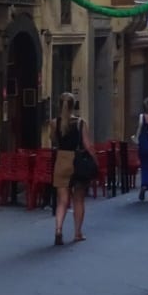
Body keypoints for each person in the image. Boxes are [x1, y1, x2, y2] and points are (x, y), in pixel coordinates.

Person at [50, 92, 95, 246]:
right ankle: (77, 233)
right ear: (74, 105)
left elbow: (54, 140)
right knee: (78, 199)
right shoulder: (80, 123)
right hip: (77, 161)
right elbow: (87, 145)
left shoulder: (54, 123)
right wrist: (95, 159)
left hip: (61, 160)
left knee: (62, 201)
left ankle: (58, 229)